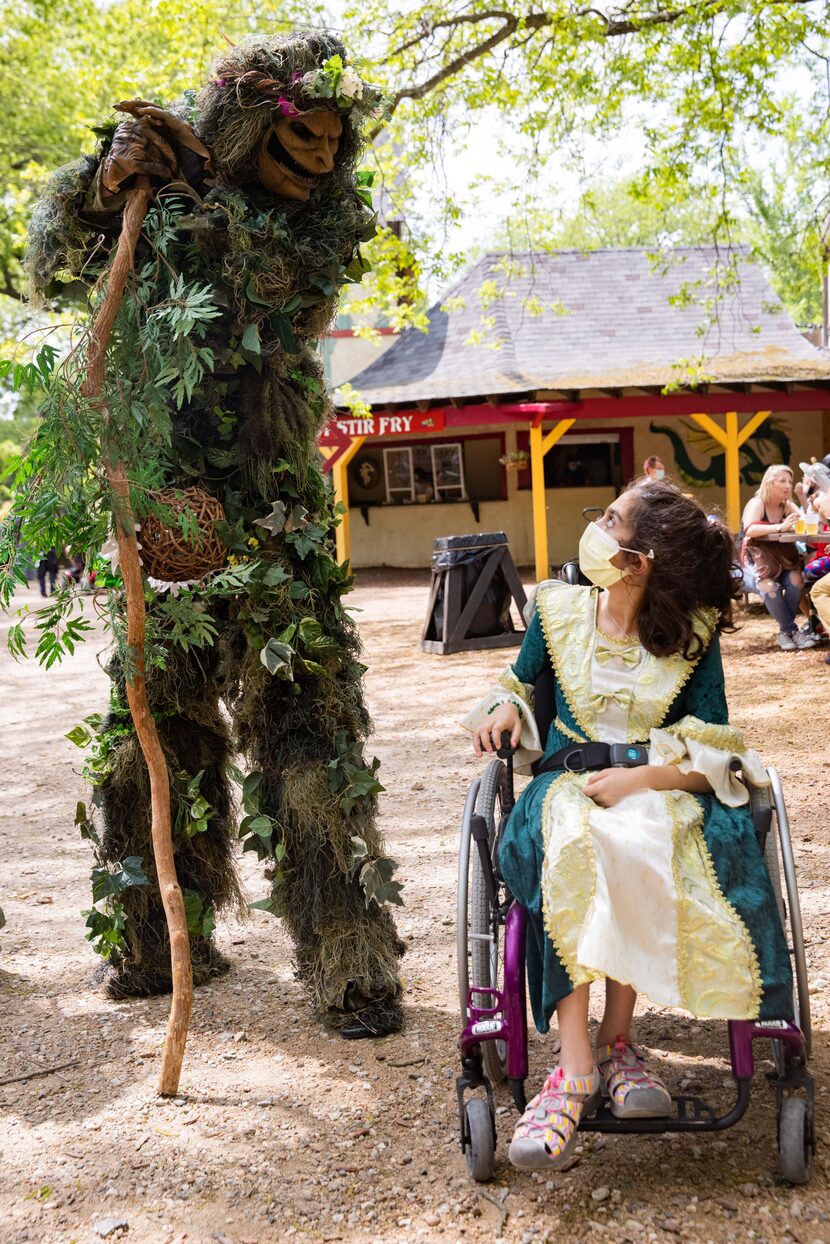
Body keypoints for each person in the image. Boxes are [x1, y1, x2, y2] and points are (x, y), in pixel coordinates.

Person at [462, 480, 792, 1173]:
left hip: (654, 781)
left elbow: (715, 744)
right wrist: (502, 710)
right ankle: (576, 1063)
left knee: (643, 839)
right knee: (570, 842)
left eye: (609, 521)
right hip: (564, 779)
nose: (596, 527)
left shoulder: (691, 639)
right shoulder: (556, 612)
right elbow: (518, 685)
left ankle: (618, 1041)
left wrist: (643, 779)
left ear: (636, 562)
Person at [741, 465, 816, 650]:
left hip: (781, 562)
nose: (787, 485)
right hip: (756, 564)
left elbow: (806, 521)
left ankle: (786, 633)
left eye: (789, 482)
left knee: (797, 580)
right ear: (768, 483)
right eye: (782, 481)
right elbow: (750, 529)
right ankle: (791, 630)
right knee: (770, 587)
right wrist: (779, 527)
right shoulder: (757, 503)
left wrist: (801, 498)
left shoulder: (786, 505)